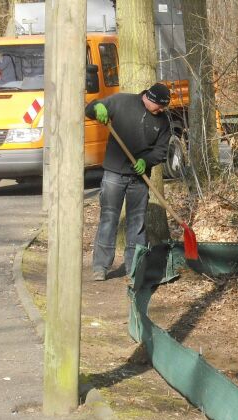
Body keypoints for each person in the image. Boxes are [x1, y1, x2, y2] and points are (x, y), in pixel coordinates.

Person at [84, 83, 172, 281]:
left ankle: (135, 266)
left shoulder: (163, 121)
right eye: (160, 106)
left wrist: (146, 161)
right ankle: (100, 266)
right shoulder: (122, 101)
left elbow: (161, 151)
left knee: (137, 222)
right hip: (114, 173)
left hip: (139, 178)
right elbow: (91, 107)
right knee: (109, 218)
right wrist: (96, 108)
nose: (162, 110)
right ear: (149, 99)